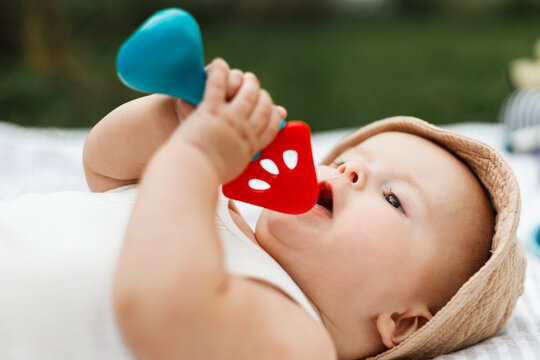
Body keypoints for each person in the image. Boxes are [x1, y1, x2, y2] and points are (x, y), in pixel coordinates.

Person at [0, 58, 525, 360]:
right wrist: (185, 118)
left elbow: (159, 308)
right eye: (345, 160)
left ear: (404, 324)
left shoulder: (296, 336)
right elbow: (105, 163)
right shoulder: (214, 205)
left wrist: (198, 156)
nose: (348, 172)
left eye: (394, 199)